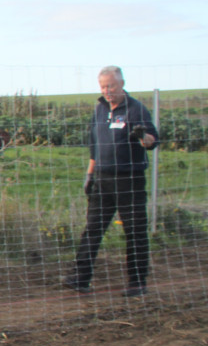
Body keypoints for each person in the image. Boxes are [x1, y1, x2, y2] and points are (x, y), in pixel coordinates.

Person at [65, 65, 158, 297]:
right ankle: (80, 278)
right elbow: (94, 146)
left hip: (130, 179)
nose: (107, 90)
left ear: (122, 84)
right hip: (102, 179)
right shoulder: (99, 110)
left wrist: (142, 136)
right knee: (93, 229)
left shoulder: (136, 109)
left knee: (135, 230)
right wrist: (89, 175)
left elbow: (153, 141)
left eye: (111, 86)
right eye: (103, 86)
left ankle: (137, 283)